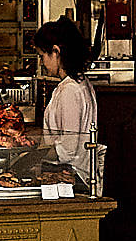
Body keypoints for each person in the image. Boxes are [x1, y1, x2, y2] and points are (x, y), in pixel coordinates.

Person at [34, 16, 98, 174]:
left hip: (71, 176)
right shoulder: (79, 82)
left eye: (42, 56)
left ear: (56, 51)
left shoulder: (70, 90)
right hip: (74, 171)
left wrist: (30, 158)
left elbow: (68, 150)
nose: (42, 63)